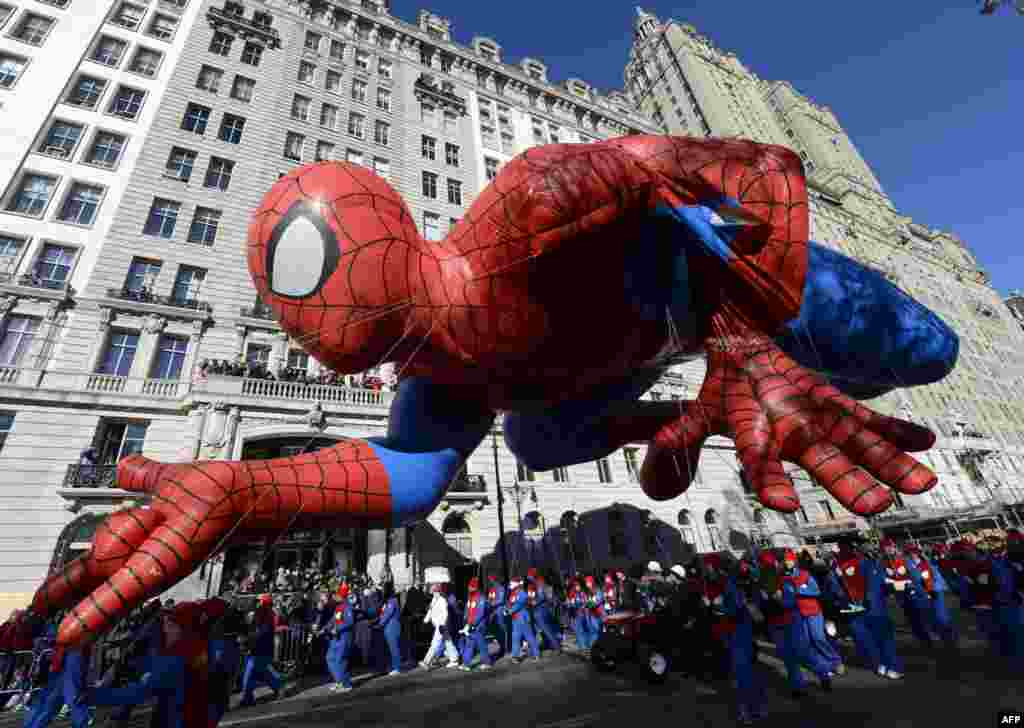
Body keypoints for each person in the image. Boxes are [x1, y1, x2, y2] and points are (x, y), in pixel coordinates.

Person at [703, 554, 766, 725]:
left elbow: (737, 608)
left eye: (708, 567)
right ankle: (753, 708)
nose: (705, 570)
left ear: (715, 568)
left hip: (738, 631)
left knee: (743, 672)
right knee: (739, 673)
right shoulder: (715, 584)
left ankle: (750, 709)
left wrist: (717, 606)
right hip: (729, 632)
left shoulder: (728, 583)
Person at [779, 549, 840, 693]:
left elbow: (815, 590)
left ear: (794, 561)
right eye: (786, 560)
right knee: (803, 649)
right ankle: (820, 673)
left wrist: (800, 591)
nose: (788, 562)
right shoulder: (783, 578)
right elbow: (787, 599)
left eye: (790, 560)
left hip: (809, 613)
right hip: (794, 616)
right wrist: (783, 602)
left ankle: (831, 665)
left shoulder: (804, 574)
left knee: (816, 640)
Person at [240, 594, 283, 706]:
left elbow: (261, 632)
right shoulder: (266, 613)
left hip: (259, 648)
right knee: (263, 672)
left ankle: (247, 699)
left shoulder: (264, 613)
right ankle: (278, 687)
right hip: (261, 648)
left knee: (250, 673)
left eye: (258, 601)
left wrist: (249, 640)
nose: (256, 603)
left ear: (263, 602)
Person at [420, 584, 459, 669]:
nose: (434, 593)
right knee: (448, 642)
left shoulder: (442, 601)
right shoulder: (434, 600)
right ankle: (454, 659)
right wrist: (426, 619)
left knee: (435, 643)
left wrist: (443, 624)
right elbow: (430, 610)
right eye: (434, 591)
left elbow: (445, 614)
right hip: (438, 625)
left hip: (441, 625)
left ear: (439, 592)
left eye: (436, 591)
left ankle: (426, 661)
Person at [326, 584, 355, 693]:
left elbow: (349, 622)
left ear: (340, 595)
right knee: (330, 658)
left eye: (335, 595)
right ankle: (339, 681)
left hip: (344, 637)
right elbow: (333, 621)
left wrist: (337, 629)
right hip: (336, 638)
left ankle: (346, 684)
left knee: (340, 660)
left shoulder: (347, 606)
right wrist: (324, 629)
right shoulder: (338, 607)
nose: (333, 597)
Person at [459, 578, 492, 671]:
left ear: (475, 587)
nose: (469, 588)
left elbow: (480, 614)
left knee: (481, 644)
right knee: (469, 644)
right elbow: (467, 610)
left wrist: (472, 624)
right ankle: (466, 663)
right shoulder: (470, 597)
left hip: (479, 626)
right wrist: (466, 622)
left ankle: (487, 662)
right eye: (469, 586)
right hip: (470, 625)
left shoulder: (481, 598)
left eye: (471, 586)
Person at [507, 577, 540, 663]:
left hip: (523, 618)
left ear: (517, 584)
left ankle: (536, 654)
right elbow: (510, 604)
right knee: (515, 638)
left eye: (512, 583)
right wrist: (506, 608)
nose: (510, 585)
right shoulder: (512, 593)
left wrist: (509, 611)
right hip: (515, 619)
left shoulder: (522, 594)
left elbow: (519, 604)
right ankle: (515, 656)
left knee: (529, 637)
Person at [527, 572, 561, 654]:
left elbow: (542, 597)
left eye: (530, 577)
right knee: (544, 630)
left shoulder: (540, 584)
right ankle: (550, 644)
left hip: (541, 610)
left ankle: (556, 646)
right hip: (543, 609)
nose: (529, 579)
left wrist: (534, 602)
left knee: (546, 630)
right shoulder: (540, 584)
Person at [374, 583, 402, 676]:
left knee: (394, 648)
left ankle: (397, 667)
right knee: (390, 648)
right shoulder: (388, 601)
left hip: (392, 627)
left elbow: (387, 615)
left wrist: (379, 624)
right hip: (388, 627)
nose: (382, 591)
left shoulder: (392, 601)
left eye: (383, 589)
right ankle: (393, 666)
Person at [485, 576, 508, 658]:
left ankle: (505, 648)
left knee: (502, 629)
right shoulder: (491, 589)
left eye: (490, 580)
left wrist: (491, 603)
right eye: (489, 580)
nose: (490, 581)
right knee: (495, 630)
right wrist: (487, 602)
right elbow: (489, 598)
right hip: (492, 612)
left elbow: (500, 600)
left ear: (494, 580)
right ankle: (501, 646)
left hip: (499, 611)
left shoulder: (500, 588)